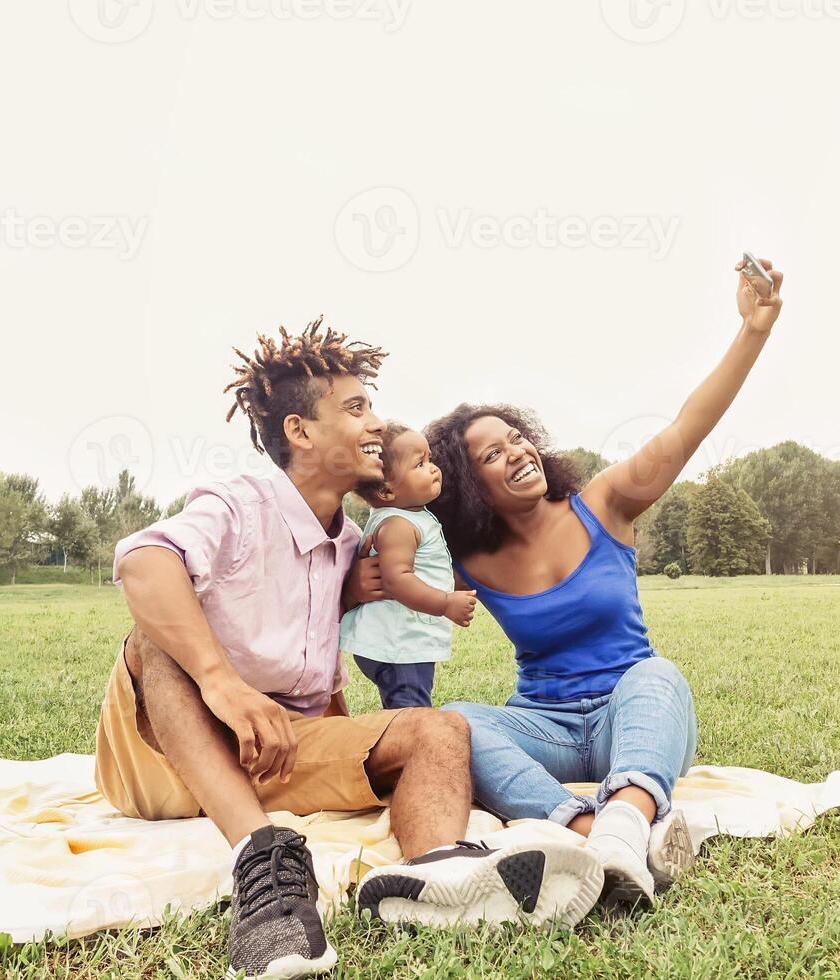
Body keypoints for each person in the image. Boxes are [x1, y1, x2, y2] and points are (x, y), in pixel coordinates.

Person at [93, 319, 602, 979]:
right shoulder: (239, 503)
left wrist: (352, 599)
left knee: (439, 730)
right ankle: (265, 870)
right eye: (356, 408)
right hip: (162, 755)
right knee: (153, 640)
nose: (376, 425)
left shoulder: (348, 543)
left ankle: (437, 878)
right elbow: (143, 562)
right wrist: (222, 683)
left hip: (277, 745)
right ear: (300, 431)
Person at [430, 258, 786, 910]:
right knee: (450, 724)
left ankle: (623, 827)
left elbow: (686, 429)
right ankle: (589, 830)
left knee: (660, 676)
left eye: (517, 439)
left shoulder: (604, 503)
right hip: (549, 728)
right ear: (466, 485)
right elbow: (374, 563)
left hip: (635, 715)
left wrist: (753, 330)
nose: (517, 453)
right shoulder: (465, 560)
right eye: (491, 454)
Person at [339, 423, 477, 709]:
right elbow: (397, 579)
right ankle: (407, 750)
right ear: (387, 491)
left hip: (401, 642)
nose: (433, 468)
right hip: (398, 645)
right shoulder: (398, 524)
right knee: (411, 714)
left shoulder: (410, 516)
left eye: (430, 459)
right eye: (420, 464)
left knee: (410, 707)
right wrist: (445, 603)